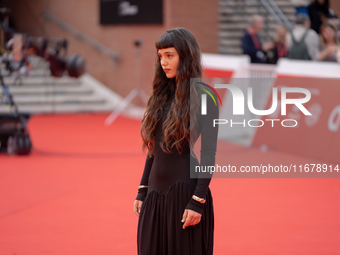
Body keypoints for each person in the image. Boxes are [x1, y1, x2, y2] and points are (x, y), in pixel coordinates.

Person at [133, 27, 219, 255]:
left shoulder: (205, 96)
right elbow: (153, 149)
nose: (163, 62)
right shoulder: (159, 95)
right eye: (160, 56)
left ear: (186, 55)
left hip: (184, 193)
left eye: (169, 55)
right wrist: (142, 189)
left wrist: (197, 201)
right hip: (154, 194)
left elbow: (209, 153)